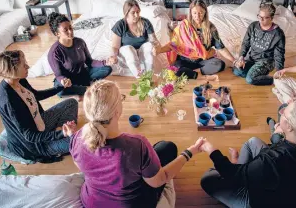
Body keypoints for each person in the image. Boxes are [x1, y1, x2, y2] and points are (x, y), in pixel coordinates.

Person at [69, 79, 204, 208]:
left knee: (159, 150)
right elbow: (159, 180)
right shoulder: (136, 145)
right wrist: (189, 153)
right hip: (133, 204)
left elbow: (80, 164)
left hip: (92, 203)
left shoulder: (76, 138)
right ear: (117, 111)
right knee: (167, 148)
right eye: (121, 98)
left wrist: (72, 136)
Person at [200, 99, 296, 208]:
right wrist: (281, 135)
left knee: (208, 178)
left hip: (267, 202)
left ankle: (240, 169)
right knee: (253, 142)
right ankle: (242, 168)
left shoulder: (271, 160)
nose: (281, 113)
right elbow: (280, 156)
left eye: (284, 114)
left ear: (290, 127)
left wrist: (211, 150)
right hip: (289, 191)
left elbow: (231, 174)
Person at [0, 50, 78, 163]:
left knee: (71, 103)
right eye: (23, 64)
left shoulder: (19, 80)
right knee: (81, 141)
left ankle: (64, 132)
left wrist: (60, 87)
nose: (28, 66)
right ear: (11, 70)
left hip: (39, 123)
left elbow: (36, 96)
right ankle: (62, 137)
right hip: (34, 146)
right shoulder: (8, 100)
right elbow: (30, 136)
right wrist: (61, 134)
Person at [153, 0, 236, 81]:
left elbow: (220, 47)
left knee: (219, 64)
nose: (197, 16)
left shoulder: (211, 28)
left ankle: (192, 73)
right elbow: (172, 45)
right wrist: (159, 50)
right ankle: (202, 76)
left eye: (201, 13)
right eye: (195, 13)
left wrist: (234, 61)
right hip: (185, 60)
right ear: (191, 13)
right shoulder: (183, 26)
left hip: (202, 61)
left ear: (205, 13)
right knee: (175, 68)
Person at [48, 12, 114, 98]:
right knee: (59, 90)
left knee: (106, 69)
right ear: (57, 33)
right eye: (65, 30)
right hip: (69, 81)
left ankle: (81, 90)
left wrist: (105, 62)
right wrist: (63, 80)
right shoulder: (54, 52)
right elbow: (59, 75)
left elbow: (90, 62)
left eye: (71, 28)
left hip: (83, 74)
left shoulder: (80, 42)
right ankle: (89, 89)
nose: (70, 31)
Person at [233, 0, 286, 85]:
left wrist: (279, 71)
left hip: (266, 61)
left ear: (271, 18)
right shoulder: (253, 26)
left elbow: (279, 55)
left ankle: (273, 80)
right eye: (259, 17)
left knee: (250, 80)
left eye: (265, 18)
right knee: (236, 70)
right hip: (252, 58)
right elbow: (246, 43)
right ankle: (255, 74)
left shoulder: (278, 34)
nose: (261, 20)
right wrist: (241, 57)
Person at [111, 0, 161, 78]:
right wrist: (113, 56)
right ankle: (141, 78)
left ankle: (148, 76)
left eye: (138, 12)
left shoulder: (145, 22)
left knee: (149, 45)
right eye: (133, 13)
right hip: (127, 52)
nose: (136, 15)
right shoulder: (120, 25)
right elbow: (115, 47)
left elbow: (153, 40)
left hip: (141, 51)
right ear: (126, 13)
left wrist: (155, 47)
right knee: (129, 49)